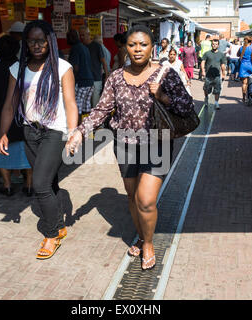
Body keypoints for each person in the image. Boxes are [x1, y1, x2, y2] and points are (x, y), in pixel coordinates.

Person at [66, 25, 195, 270]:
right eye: (132, 44)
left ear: (152, 48)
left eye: (143, 44)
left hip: (157, 143)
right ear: (126, 47)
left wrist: (164, 97)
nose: (137, 49)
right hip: (125, 144)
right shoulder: (115, 77)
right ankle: (140, 234)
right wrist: (80, 133)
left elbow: (187, 106)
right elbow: (102, 109)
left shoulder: (165, 74)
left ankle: (148, 243)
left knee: (146, 200)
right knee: (133, 197)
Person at [0, 20, 78, 259]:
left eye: (41, 40)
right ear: (25, 43)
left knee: (40, 184)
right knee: (50, 182)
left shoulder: (62, 68)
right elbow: (9, 106)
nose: (36, 45)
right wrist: (2, 133)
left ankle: (52, 234)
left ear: (50, 41)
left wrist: (73, 133)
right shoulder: (17, 69)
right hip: (29, 131)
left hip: (55, 132)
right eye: (31, 40)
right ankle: (60, 225)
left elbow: (71, 103)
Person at [0, 35, 33, 197]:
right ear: (17, 51)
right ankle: (29, 184)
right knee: (26, 151)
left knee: (2, 151)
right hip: (23, 116)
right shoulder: (25, 68)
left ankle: (7, 185)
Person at [79, 26, 109, 108]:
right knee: (86, 106)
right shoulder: (80, 47)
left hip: (96, 79)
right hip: (84, 80)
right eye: (80, 35)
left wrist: (106, 76)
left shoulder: (96, 46)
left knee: (95, 104)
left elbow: (104, 62)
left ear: (88, 34)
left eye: (83, 35)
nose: (81, 37)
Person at [67, 29, 94, 118]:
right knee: (86, 108)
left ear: (71, 38)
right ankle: (87, 130)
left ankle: (78, 129)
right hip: (90, 82)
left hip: (81, 82)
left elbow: (76, 67)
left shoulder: (75, 48)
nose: (66, 40)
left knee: (77, 108)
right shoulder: (84, 47)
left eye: (67, 38)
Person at [201, 39, 227, 110]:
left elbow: (222, 64)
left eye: (216, 44)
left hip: (217, 75)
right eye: (213, 44)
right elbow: (203, 62)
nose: (214, 45)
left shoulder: (221, 54)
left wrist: (223, 73)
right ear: (211, 45)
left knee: (217, 90)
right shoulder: (207, 53)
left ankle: (216, 103)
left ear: (218, 45)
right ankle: (206, 98)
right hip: (208, 75)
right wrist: (203, 71)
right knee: (206, 89)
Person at [238, 36, 252, 103]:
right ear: (251, 41)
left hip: (243, 66)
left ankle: (244, 98)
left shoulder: (241, 48)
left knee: (244, 83)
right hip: (250, 66)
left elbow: (237, 54)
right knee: (251, 82)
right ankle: (250, 96)